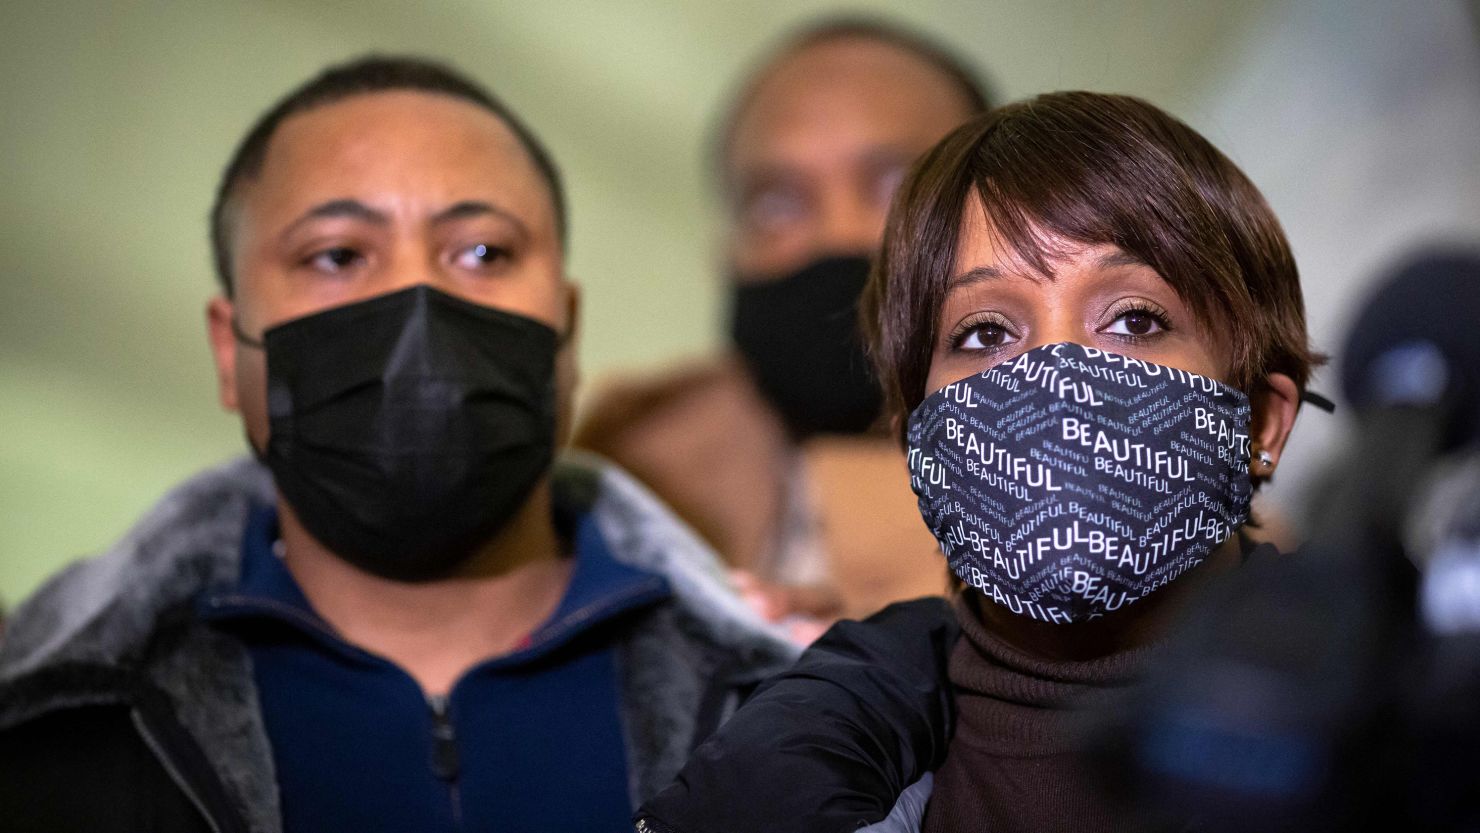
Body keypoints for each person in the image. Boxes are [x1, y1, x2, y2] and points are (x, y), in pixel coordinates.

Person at [0, 55, 795, 833]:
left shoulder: (783, 715)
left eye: (483, 252)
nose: (418, 307)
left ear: (568, 329)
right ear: (228, 353)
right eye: (338, 255)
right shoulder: (52, 727)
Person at [635, 90, 1323, 833]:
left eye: (1134, 319)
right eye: (985, 333)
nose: (1060, 376)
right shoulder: (796, 758)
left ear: (1260, 421)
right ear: (918, 448)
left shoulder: (1413, 715)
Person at [576, 19, 994, 636]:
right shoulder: (622, 477)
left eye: (896, 185)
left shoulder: (1132, 477)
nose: (839, 235)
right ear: (727, 250)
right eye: (778, 204)